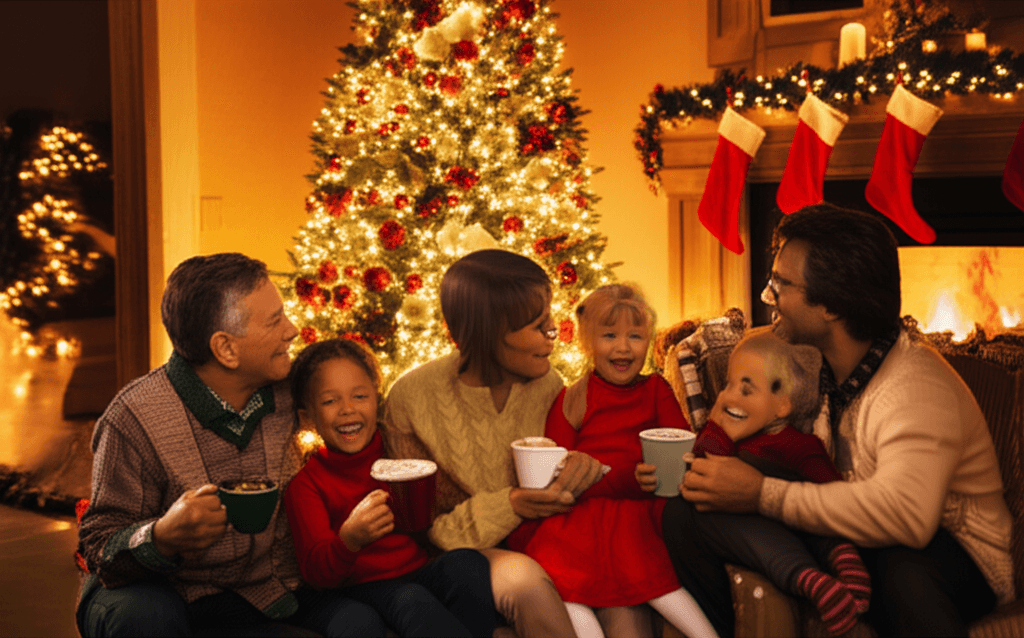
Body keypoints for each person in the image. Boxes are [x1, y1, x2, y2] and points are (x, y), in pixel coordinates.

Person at [663, 204, 1015, 637]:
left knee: (899, 568)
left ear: (830, 305)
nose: (768, 297)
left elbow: (907, 518)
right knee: (688, 508)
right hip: (849, 534)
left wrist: (761, 494)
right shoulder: (822, 367)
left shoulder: (915, 386)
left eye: (781, 285)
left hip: (952, 553)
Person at [76, 253, 387, 638]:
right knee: (144, 617)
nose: (292, 330)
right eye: (274, 321)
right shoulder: (134, 417)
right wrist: (161, 536)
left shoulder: (294, 389)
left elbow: (362, 409)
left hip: (275, 588)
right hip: (172, 595)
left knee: (360, 622)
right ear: (225, 349)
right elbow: (98, 544)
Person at [382, 249, 614, 637]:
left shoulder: (549, 385)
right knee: (523, 581)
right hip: (456, 557)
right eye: (539, 326)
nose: (554, 334)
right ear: (488, 335)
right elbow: (423, 532)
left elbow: (566, 468)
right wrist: (510, 504)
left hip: (544, 538)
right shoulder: (412, 398)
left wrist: (580, 466)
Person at [507, 283, 719, 638]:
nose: (623, 347)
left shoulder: (656, 389)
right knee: (568, 587)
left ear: (647, 341)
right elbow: (560, 474)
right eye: (609, 336)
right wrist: (620, 479)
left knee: (657, 581)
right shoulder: (574, 397)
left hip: (637, 514)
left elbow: (681, 442)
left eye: (635, 336)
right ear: (588, 343)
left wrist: (680, 464)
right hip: (578, 518)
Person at [284, 338, 496, 637]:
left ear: (376, 399)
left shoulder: (397, 450)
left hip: (415, 569)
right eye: (330, 401)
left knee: (467, 564)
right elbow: (317, 572)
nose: (347, 409)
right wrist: (349, 540)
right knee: (411, 599)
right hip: (358, 586)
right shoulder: (307, 484)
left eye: (360, 396)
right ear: (308, 417)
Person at [672, 325, 872, 635]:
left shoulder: (798, 445)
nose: (728, 396)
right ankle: (810, 581)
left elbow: (832, 497)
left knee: (816, 511)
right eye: (727, 385)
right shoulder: (730, 443)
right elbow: (703, 462)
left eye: (746, 389)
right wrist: (716, 425)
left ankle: (846, 563)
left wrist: (841, 546)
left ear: (782, 405)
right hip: (760, 537)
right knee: (706, 502)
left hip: (803, 525)